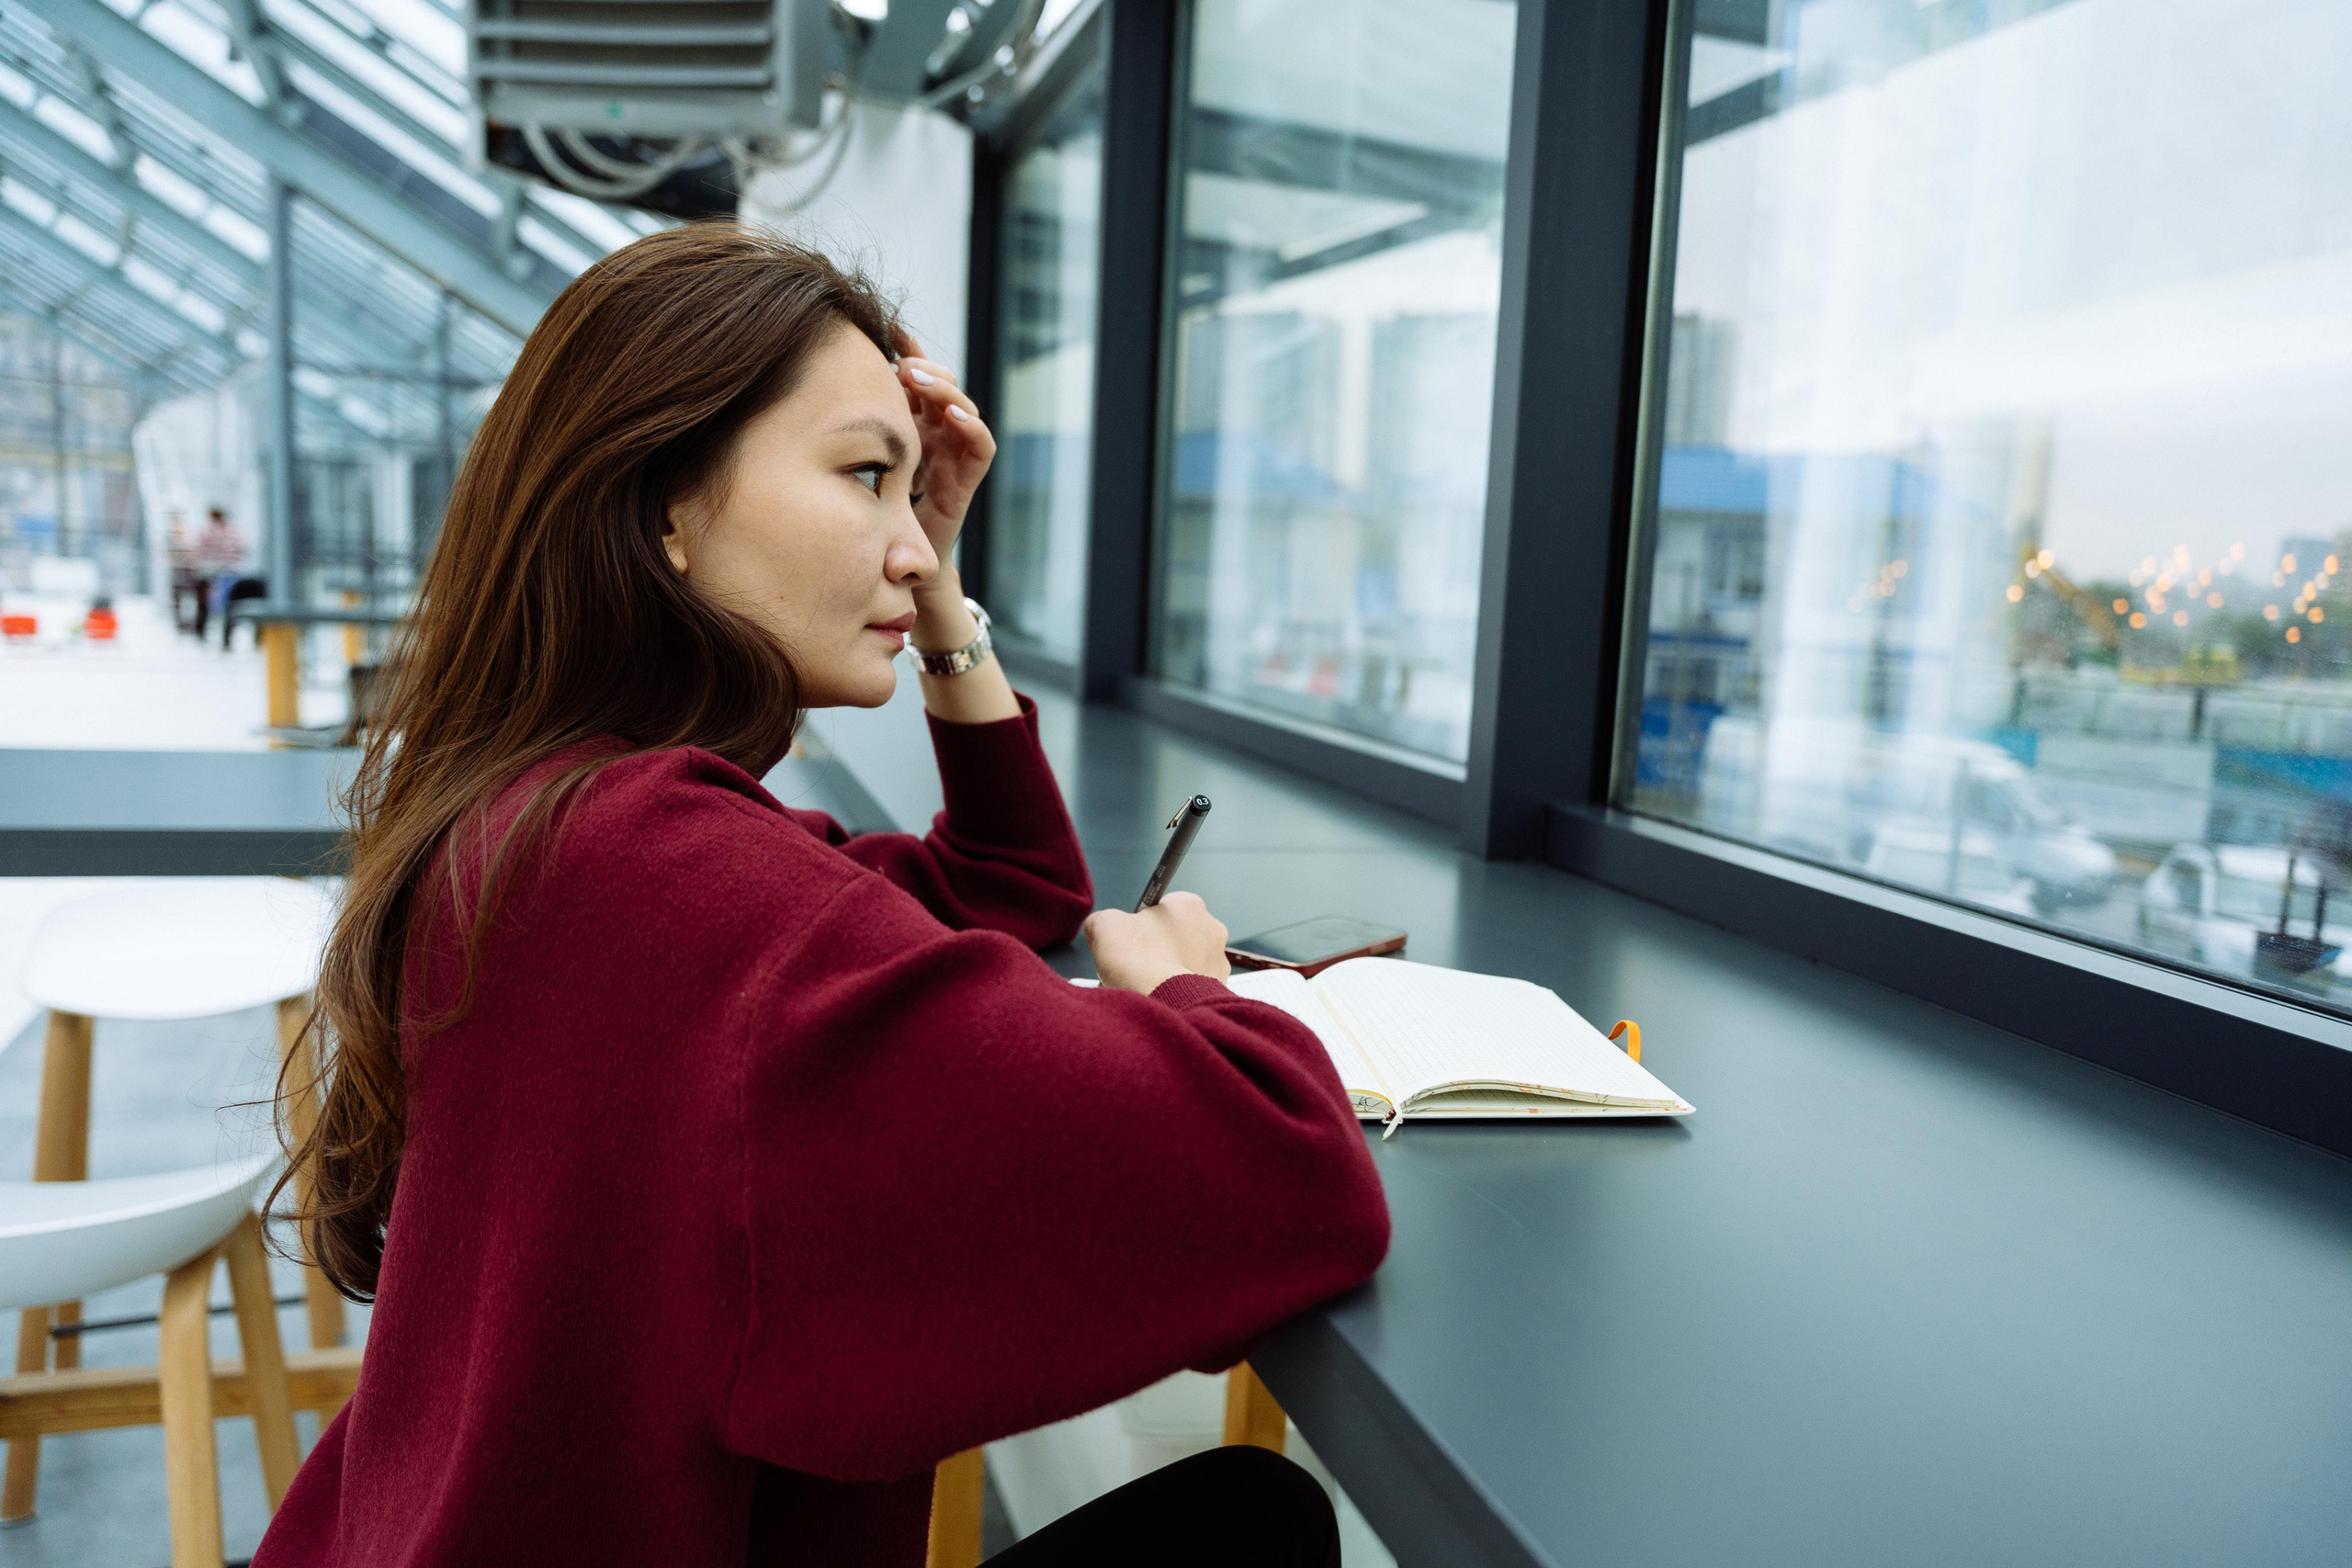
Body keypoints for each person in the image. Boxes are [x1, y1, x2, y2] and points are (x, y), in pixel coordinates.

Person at [252, 224, 1387, 1568]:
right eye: (866, 477)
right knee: (1256, 1523)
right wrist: (1199, 992)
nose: (912, 547)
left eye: (919, 503)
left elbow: (1008, 884)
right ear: (664, 500)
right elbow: (1288, 1179)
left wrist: (936, 585)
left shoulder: (555, 816)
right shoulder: (700, 897)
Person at [191, 506, 266, 647]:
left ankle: (202, 633)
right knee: (229, 606)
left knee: (205, 606)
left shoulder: (206, 530)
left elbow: (197, 551)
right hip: (231, 573)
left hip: (210, 574)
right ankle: (229, 639)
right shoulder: (233, 530)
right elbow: (242, 549)